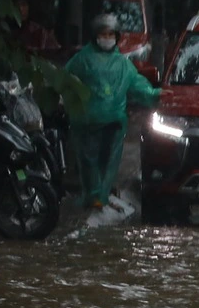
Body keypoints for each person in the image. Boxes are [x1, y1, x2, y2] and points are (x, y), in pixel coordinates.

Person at [65, 12, 159, 211]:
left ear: (116, 36)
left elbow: (137, 86)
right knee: (89, 160)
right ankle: (94, 197)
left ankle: (100, 197)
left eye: (110, 34)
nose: (106, 38)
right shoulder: (82, 60)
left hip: (113, 122)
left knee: (108, 161)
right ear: (95, 35)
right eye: (103, 34)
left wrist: (155, 94)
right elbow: (65, 81)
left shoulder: (123, 64)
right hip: (87, 121)